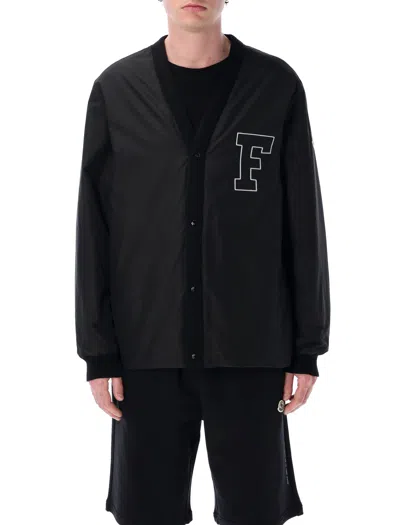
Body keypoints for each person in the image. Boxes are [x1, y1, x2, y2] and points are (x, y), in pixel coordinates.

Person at [74, 1, 331, 524]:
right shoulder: (117, 90)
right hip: (146, 349)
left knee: (254, 510)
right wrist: (98, 353)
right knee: (146, 511)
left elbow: (303, 220)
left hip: (250, 346)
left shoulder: (274, 86)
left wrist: (307, 348)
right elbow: (94, 229)